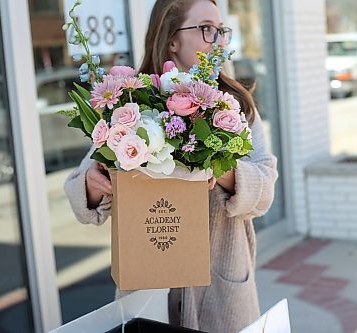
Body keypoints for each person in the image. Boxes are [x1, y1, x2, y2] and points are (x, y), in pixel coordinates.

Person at [64, 0, 278, 332]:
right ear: (172, 39)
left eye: (221, 31)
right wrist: (93, 184)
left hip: (219, 289)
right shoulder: (130, 103)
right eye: (207, 29)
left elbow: (265, 188)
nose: (218, 40)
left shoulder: (234, 107)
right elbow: (81, 191)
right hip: (148, 287)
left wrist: (222, 171)